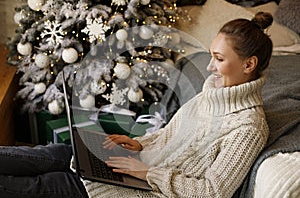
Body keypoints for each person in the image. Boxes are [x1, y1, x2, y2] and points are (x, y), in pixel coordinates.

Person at [0, 11, 273, 198]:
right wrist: (142, 143)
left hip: (144, 189)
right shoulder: (212, 91)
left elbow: (213, 191)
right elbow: (172, 134)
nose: (210, 66)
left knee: (48, 184)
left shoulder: (248, 127)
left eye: (219, 59)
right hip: (138, 164)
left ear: (249, 64)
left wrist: (149, 173)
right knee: (56, 153)